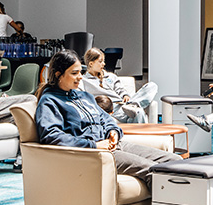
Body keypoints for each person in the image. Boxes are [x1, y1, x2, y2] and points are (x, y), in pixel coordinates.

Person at [34, 49, 179, 186]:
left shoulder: (84, 96)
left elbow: (106, 118)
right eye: (74, 73)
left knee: (175, 161)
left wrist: (113, 131)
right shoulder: (49, 101)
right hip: (94, 153)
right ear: (58, 74)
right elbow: (51, 135)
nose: (80, 77)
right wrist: (94, 145)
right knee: (154, 170)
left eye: (80, 72)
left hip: (113, 144)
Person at [80, 48, 159, 123]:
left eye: (103, 61)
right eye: (100, 61)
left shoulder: (111, 76)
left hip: (122, 105)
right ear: (91, 64)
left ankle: (132, 104)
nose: (103, 64)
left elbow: (120, 89)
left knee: (152, 86)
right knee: (139, 112)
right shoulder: (83, 80)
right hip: (109, 108)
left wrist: (125, 95)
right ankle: (132, 107)